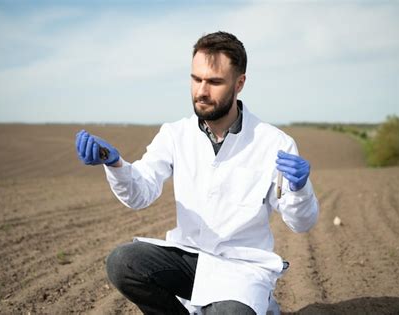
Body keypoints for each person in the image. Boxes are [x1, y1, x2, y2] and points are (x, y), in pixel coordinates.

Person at [75, 31, 319, 315]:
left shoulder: (275, 143)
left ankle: (258, 306)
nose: (201, 91)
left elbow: (301, 223)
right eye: (196, 79)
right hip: (188, 259)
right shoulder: (175, 134)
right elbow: (140, 194)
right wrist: (115, 163)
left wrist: (300, 189)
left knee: (230, 313)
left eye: (214, 82)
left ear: (239, 84)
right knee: (123, 262)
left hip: (240, 270)